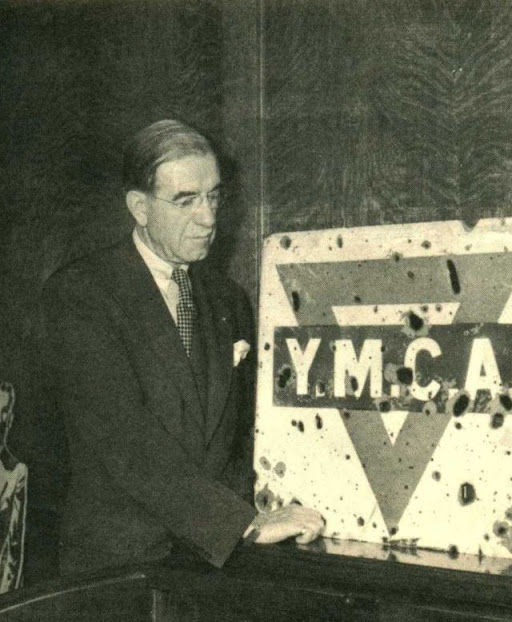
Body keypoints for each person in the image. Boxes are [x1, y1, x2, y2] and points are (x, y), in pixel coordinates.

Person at [37, 119, 324, 576]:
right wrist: (241, 524)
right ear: (140, 207)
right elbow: (125, 440)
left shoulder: (227, 299)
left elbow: (241, 433)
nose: (208, 218)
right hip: (120, 569)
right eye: (186, 200)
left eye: (214, 197)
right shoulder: (82, 294)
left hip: (215, 563)